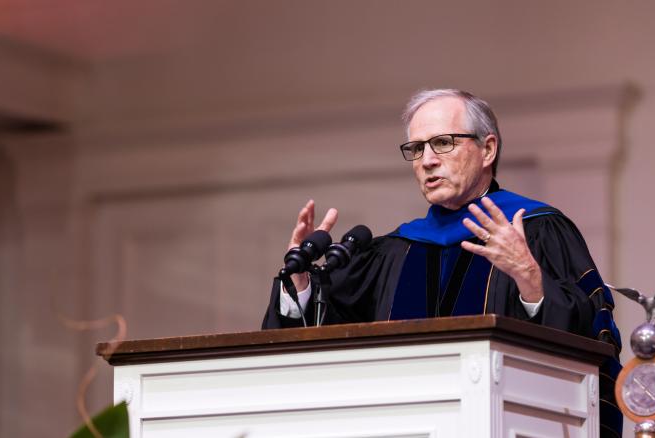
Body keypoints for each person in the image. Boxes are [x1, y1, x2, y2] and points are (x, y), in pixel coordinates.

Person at [262, 89, 622, 437]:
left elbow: (589, 335)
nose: (427, 160)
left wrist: (530, 277)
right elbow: (329, 343)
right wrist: (303, 284)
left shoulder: (539, 230)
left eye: (443, 142)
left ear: (488, 149)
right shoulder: (394, 250)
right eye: (416, 148)